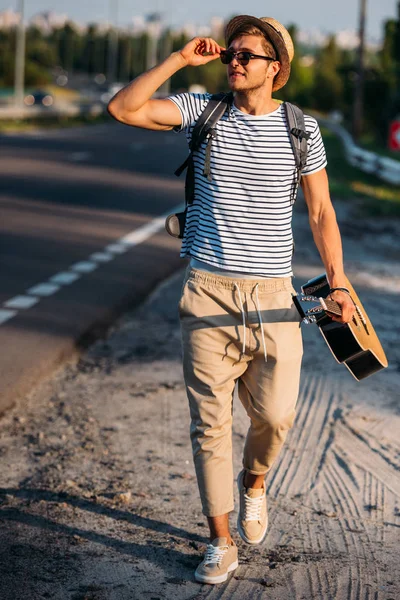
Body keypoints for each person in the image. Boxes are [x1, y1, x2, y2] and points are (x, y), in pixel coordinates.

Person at [108, 14, 356, 586]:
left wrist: (338, 281)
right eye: (231, 55)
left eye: (247, 55)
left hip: (274, 295)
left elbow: (321, 212)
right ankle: (220, 541)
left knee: (275, 415)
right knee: (209, 424)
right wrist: (177, 60)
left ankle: (255, 483)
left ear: (277, 68)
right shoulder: (204, 111)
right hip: (207, 292)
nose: (235, 62)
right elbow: (124, 109)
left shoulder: (301, 128)